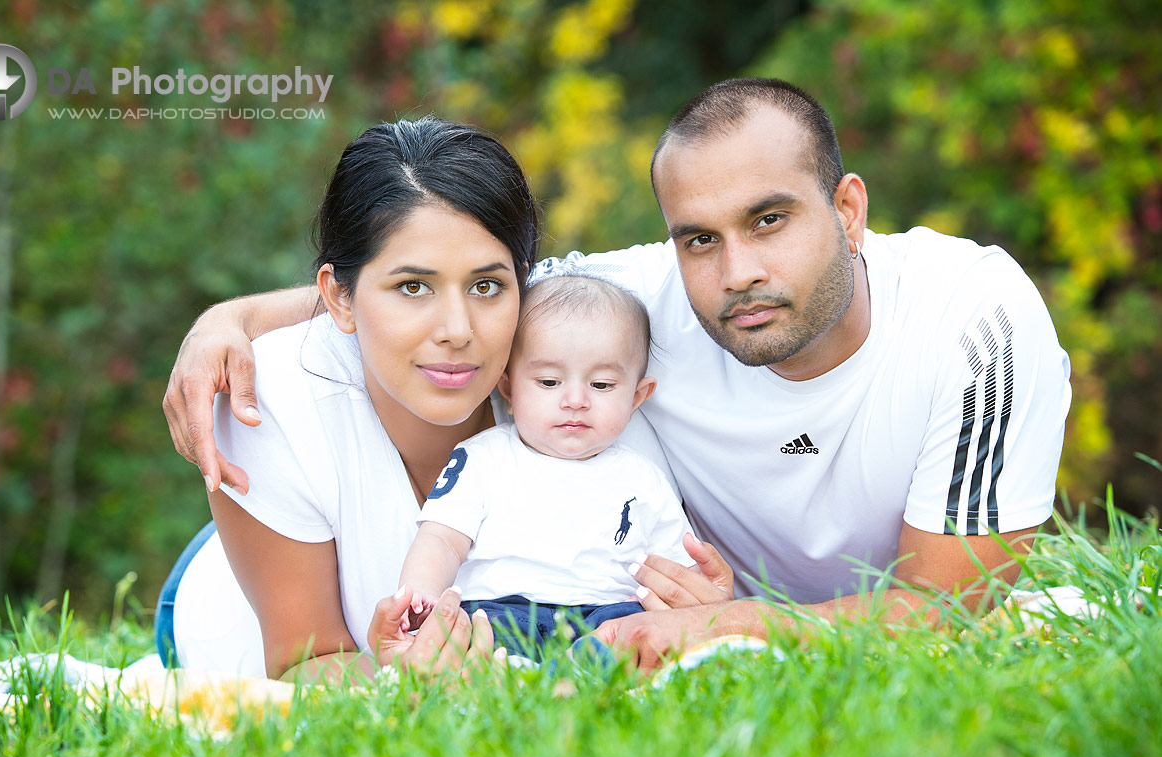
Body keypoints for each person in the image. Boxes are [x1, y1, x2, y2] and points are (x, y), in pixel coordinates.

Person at [163, 78, 1071, 672]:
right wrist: (231, 321)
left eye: (769, 220)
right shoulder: (638, 305)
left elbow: (947, 611)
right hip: (260, 568)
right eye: (698, 237)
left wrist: (729, 618)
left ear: (849, 207)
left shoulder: (971, 325)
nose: (736, 270)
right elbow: (437, 277)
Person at [155, 115, 549, 680]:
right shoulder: (265, 398)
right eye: (413, 287)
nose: (458, 330)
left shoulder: (572, 358)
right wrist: (415, 685)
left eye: (487, 285)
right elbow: (305, 662)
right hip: (237, 584)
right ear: (339, 298)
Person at [397, 275, 695, 659]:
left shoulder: (644, 478)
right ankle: (514, 678)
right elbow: (441, 539)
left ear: (637, 396)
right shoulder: (484, 457)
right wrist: (421, 596)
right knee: (475, 638)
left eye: (602, 385)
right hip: (503, 610)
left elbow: (678, 570)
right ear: (507, 387)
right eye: (549, 381)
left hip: (609, 616)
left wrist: (702, 609)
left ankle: (594, 679)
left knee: (642, 635)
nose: (575, 400)